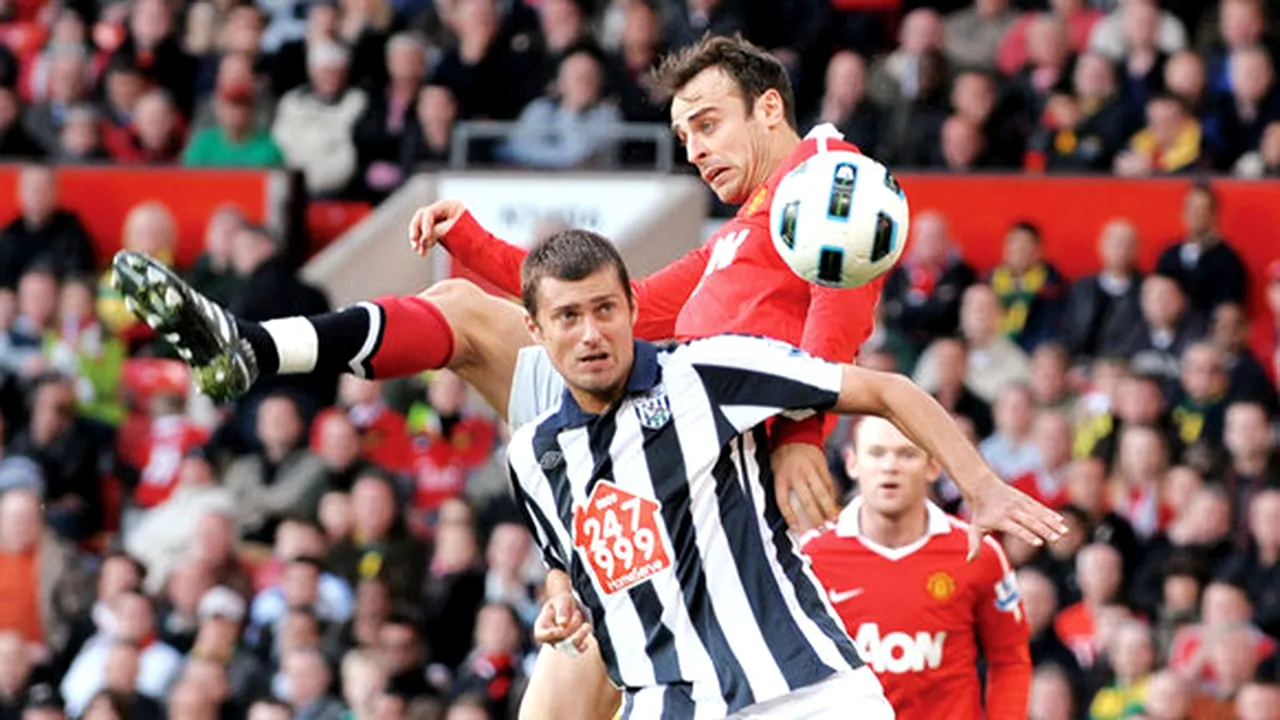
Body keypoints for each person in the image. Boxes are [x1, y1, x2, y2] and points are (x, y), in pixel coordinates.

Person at [109, 34, 1065, 720]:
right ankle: (251, 350)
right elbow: (628, 307)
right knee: (464, 312)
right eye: (682, 134)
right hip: (639, 437)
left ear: (770, 109)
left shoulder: (824, 180)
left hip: (695, 438)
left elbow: (841, 302)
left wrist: (805, 438)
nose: (694, 149)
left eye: (706, 124)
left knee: (461, 323)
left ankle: (255, 346)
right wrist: (481, 243)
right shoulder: (741, 228)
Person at [501, 229, 1056, 717]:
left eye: (605, 309)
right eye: (568, 317)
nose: (592, 333)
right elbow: (564, 559)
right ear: (534, 328)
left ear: (631, 308)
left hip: (807, 692)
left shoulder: (706, 371)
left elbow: (888, 391)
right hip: (663, 704)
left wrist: (981, 487)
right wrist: (561, 596)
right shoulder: (532, 457)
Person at [802, 416, 1033, 719]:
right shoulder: (809, 557)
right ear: (852, 463)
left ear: (933, 467)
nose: (890, 466)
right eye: (876, 453)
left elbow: (1010, 660)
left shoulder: (979, 552)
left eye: (907, 454)